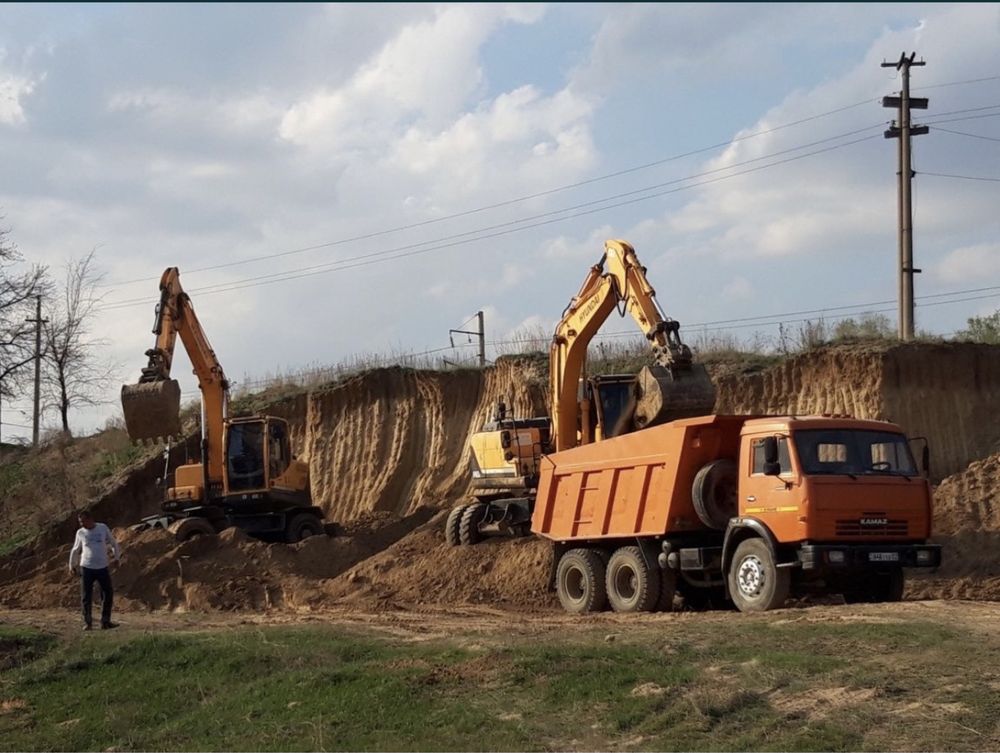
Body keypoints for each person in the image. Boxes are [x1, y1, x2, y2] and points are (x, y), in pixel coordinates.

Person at [68, 510, 121, 631]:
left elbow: (113, 543)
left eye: (83, 521)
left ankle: (105, 621)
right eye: (80, 522)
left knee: (107, 593)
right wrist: (72, 565)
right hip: (87, 567)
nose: (82, 524)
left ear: (90, 519)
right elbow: (75, 550)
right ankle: (88, 623)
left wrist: (117, 557)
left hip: (102, 567)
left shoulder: (102, 528)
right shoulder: (80, 533)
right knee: (86, 596)